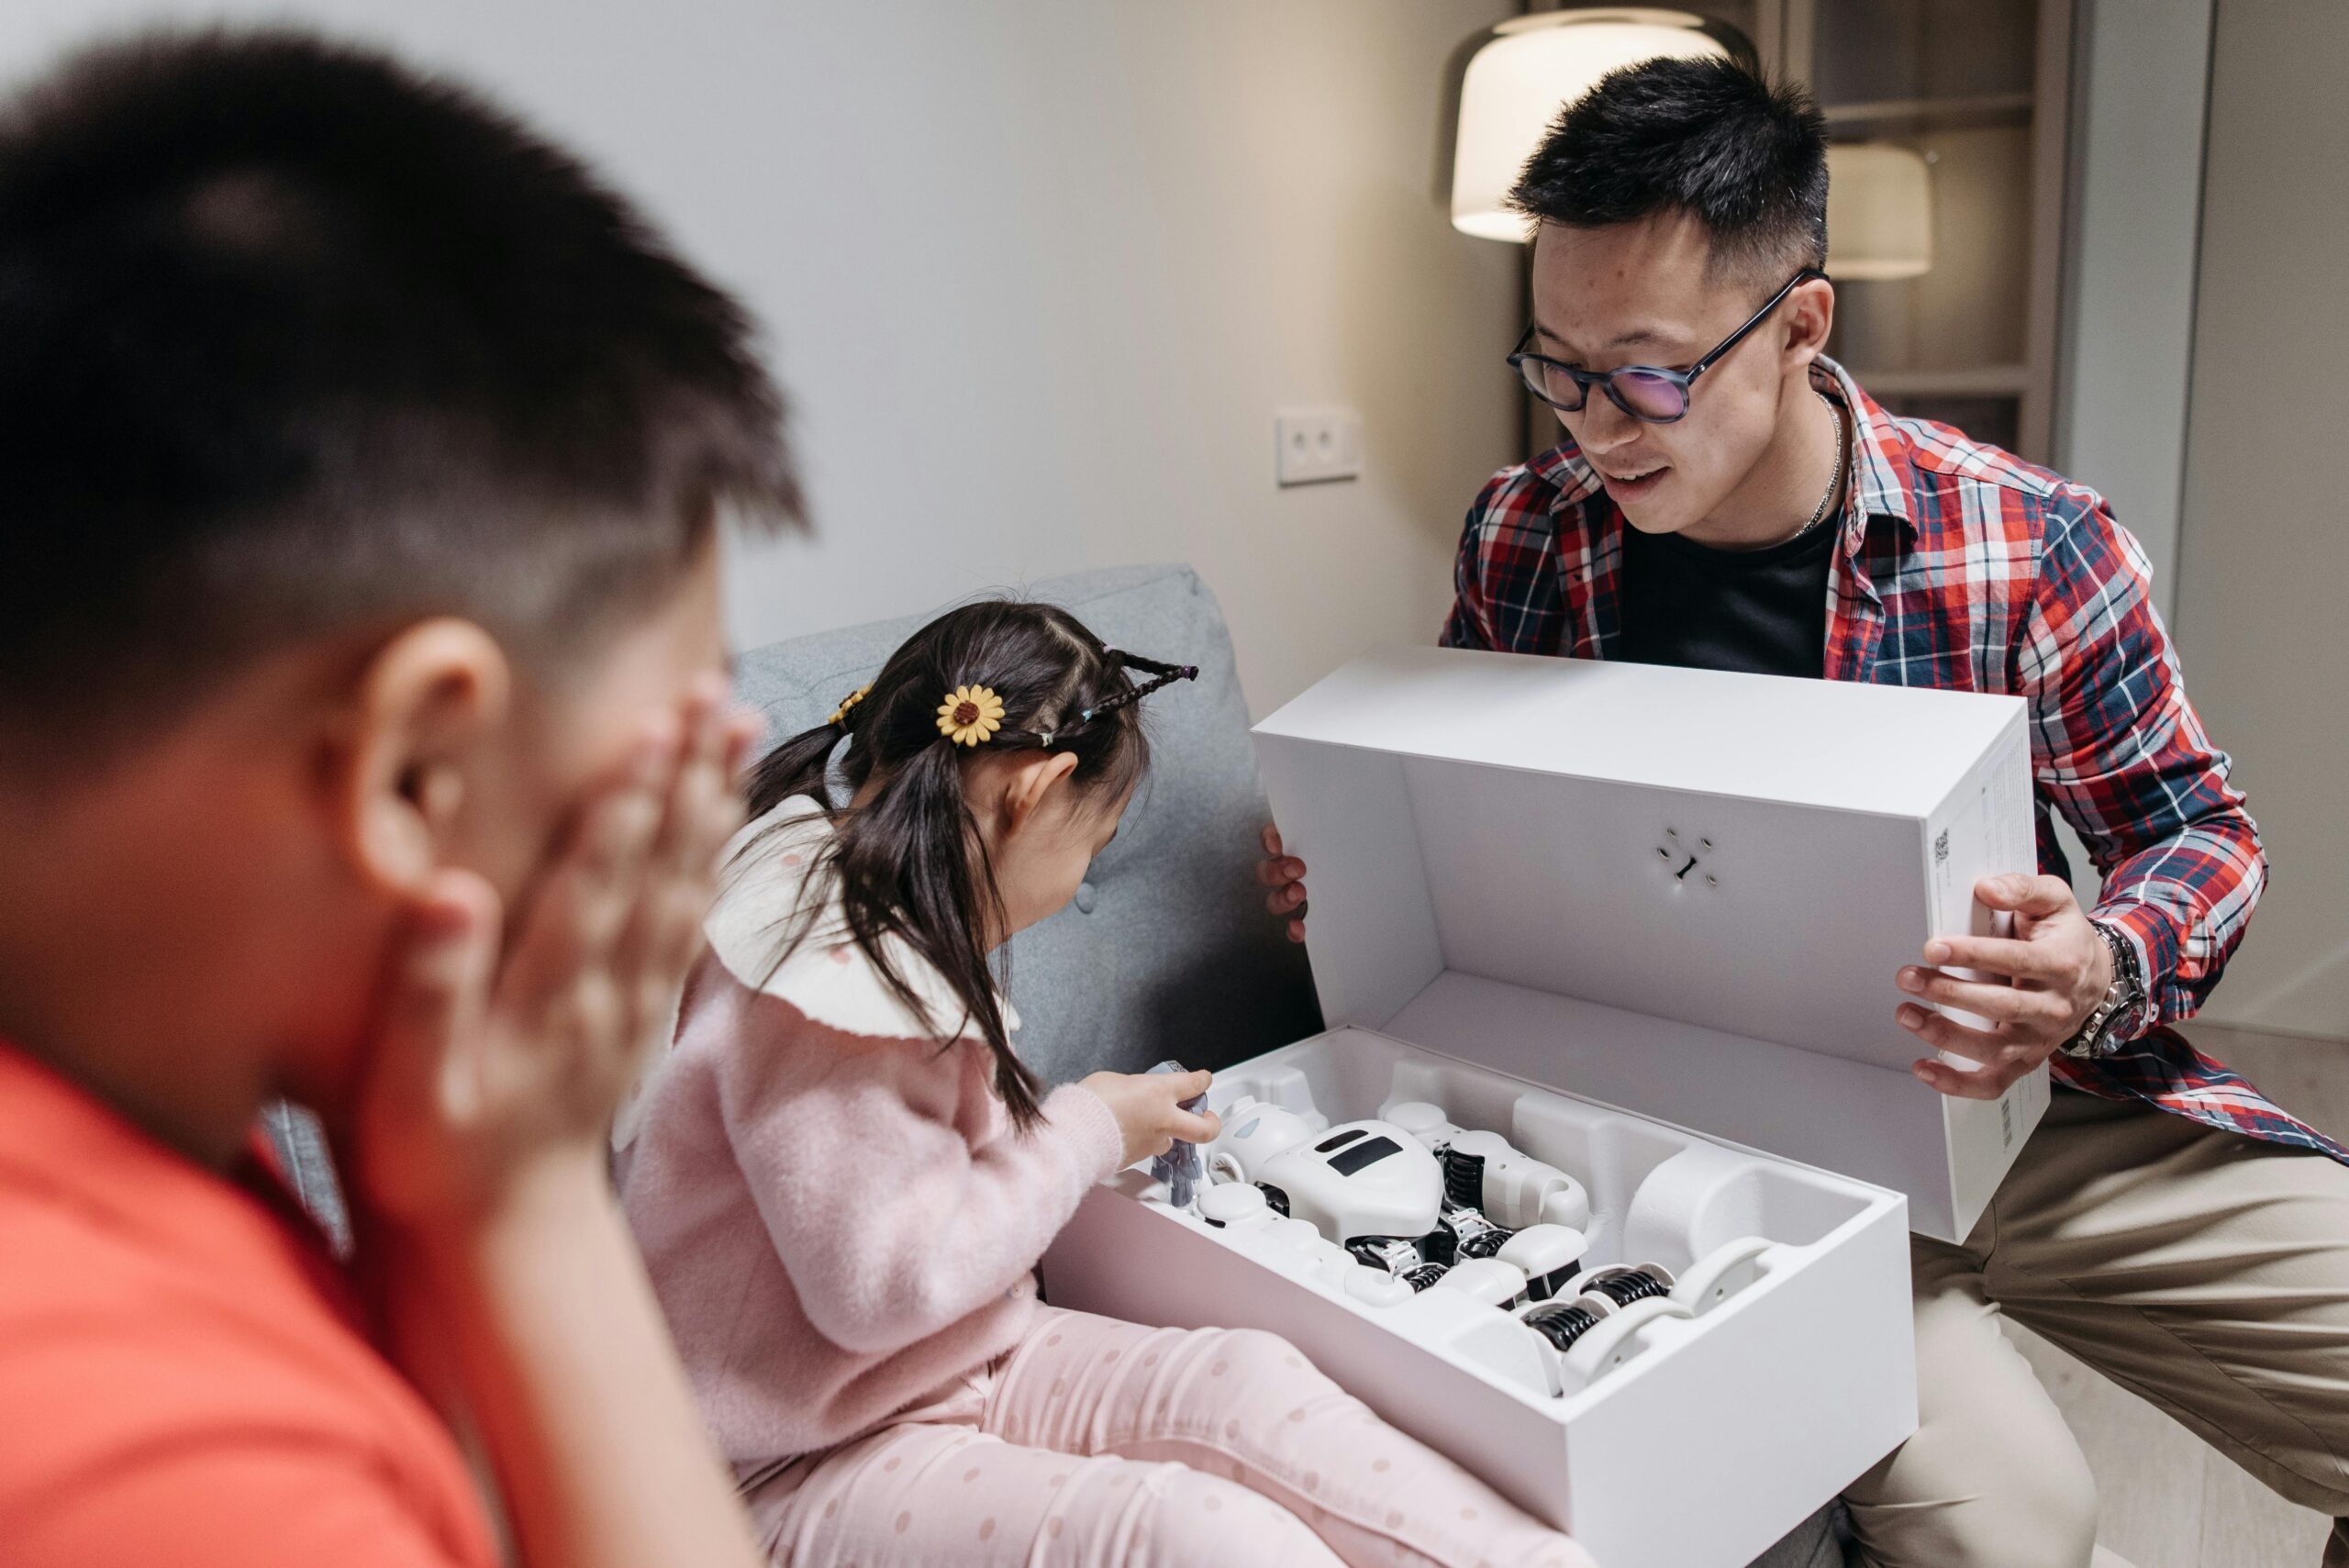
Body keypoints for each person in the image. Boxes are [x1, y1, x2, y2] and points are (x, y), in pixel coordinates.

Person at [1259, 57, 2349, 1568]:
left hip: (2041, 1107)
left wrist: (2098, 958)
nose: (1593, 424)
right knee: (2023, 1524)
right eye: (1555, 367)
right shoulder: (1525, 540)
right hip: (1743, 1150)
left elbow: (2203, 829)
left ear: (1801, 326)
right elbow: (1455, 816)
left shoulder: (2025, 541)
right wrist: (1352, 862)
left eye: (1645, 369)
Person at [0, 29, 804, 1568]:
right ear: (412, 773)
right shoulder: (145, 1456)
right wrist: (543, 1205)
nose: (700, 836)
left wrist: (470, 1201)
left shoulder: (142, 1109)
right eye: (675, 753)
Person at [616, 599, 1593, 1568]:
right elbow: (887, 1287)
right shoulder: (829, 992)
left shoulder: (865, 902)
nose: (1086, 863)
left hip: (966, 1355)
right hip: (794, 1454)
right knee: (1195, 1534)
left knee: (1241, 1383)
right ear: (1030, 790)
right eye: (1094, 839)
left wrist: (1087, 1121)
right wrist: (1086, 1126)